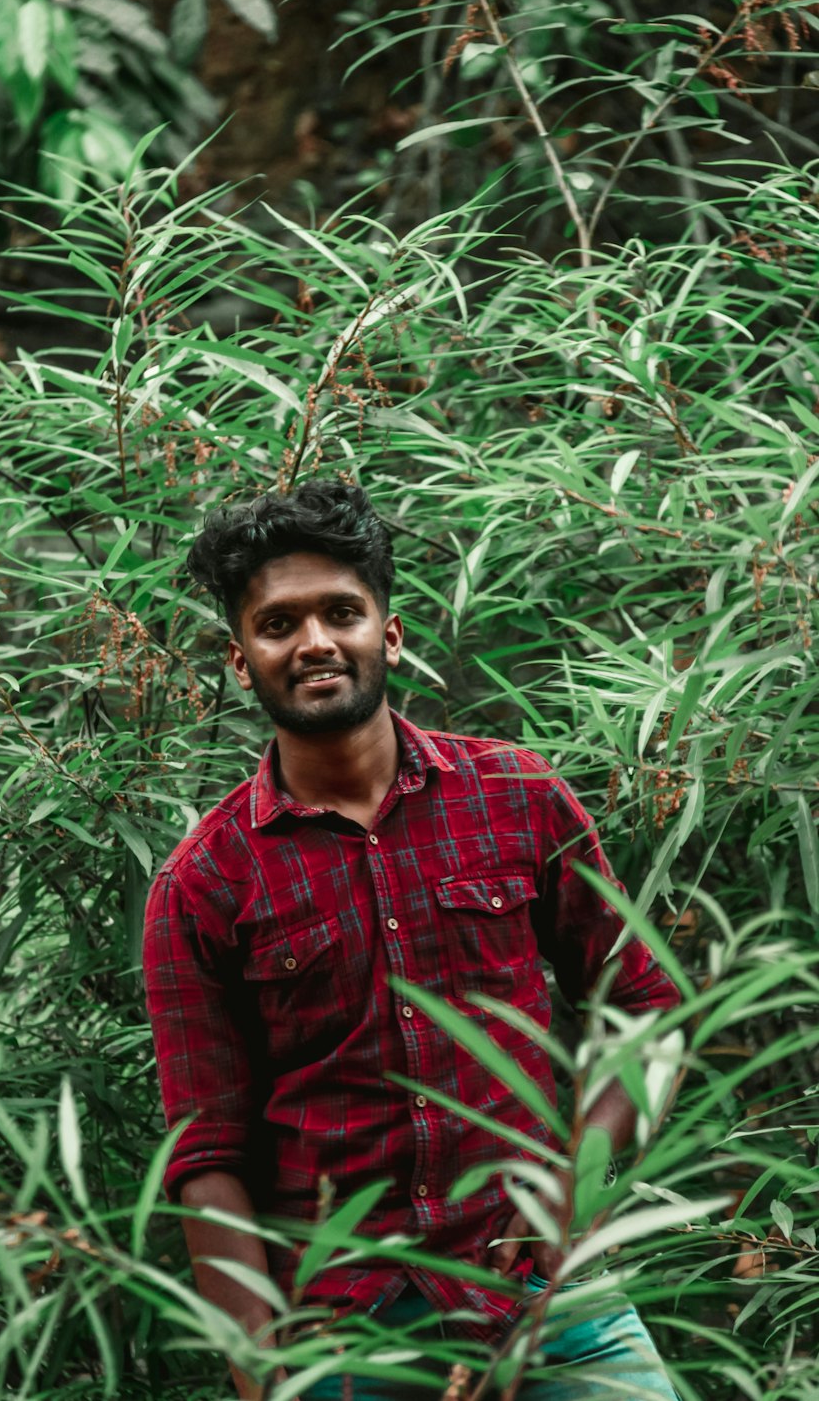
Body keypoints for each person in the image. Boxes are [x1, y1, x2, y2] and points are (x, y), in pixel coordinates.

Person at [143, 480, 682, 1399]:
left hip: (549, 1294)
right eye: (278, 625)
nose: (314, 642)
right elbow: (207, 1158)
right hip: (344, 1326)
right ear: (241, 662)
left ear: (387, 635)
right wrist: (265, 1373)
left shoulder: (514, 794)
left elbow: (647, 1003)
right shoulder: (204, 883)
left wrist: (572, 1191)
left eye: (341, 613)